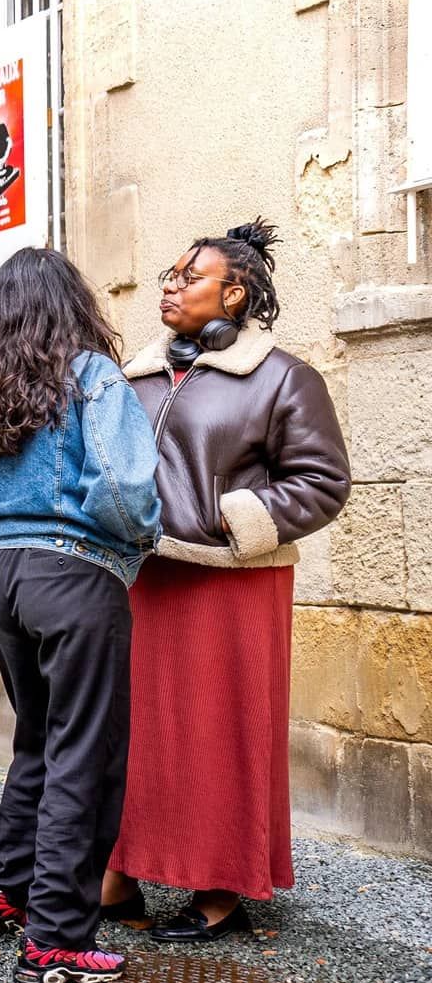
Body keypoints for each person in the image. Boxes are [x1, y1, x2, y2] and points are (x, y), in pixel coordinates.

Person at [101, 221, 349, 942]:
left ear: (233, 293)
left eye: (189, 276)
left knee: (219, 735)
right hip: (142, 578)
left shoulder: (284, 377)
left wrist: (229, 520)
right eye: (167, 275)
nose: (170, 286)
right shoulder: (140, 372)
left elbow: (323, 482)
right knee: (137, 734)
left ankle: (220, 888)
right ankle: (120, 874)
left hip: (230, 586)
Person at [0, 247, 161, 983]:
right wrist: (141, 541)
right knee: (82, 753)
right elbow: (126, 490)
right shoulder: (93, 377)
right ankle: (57, 938)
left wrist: (9, 538)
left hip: (2, 577)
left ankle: (9, 892)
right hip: (76, 574)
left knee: (36, 739)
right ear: (75, 303)